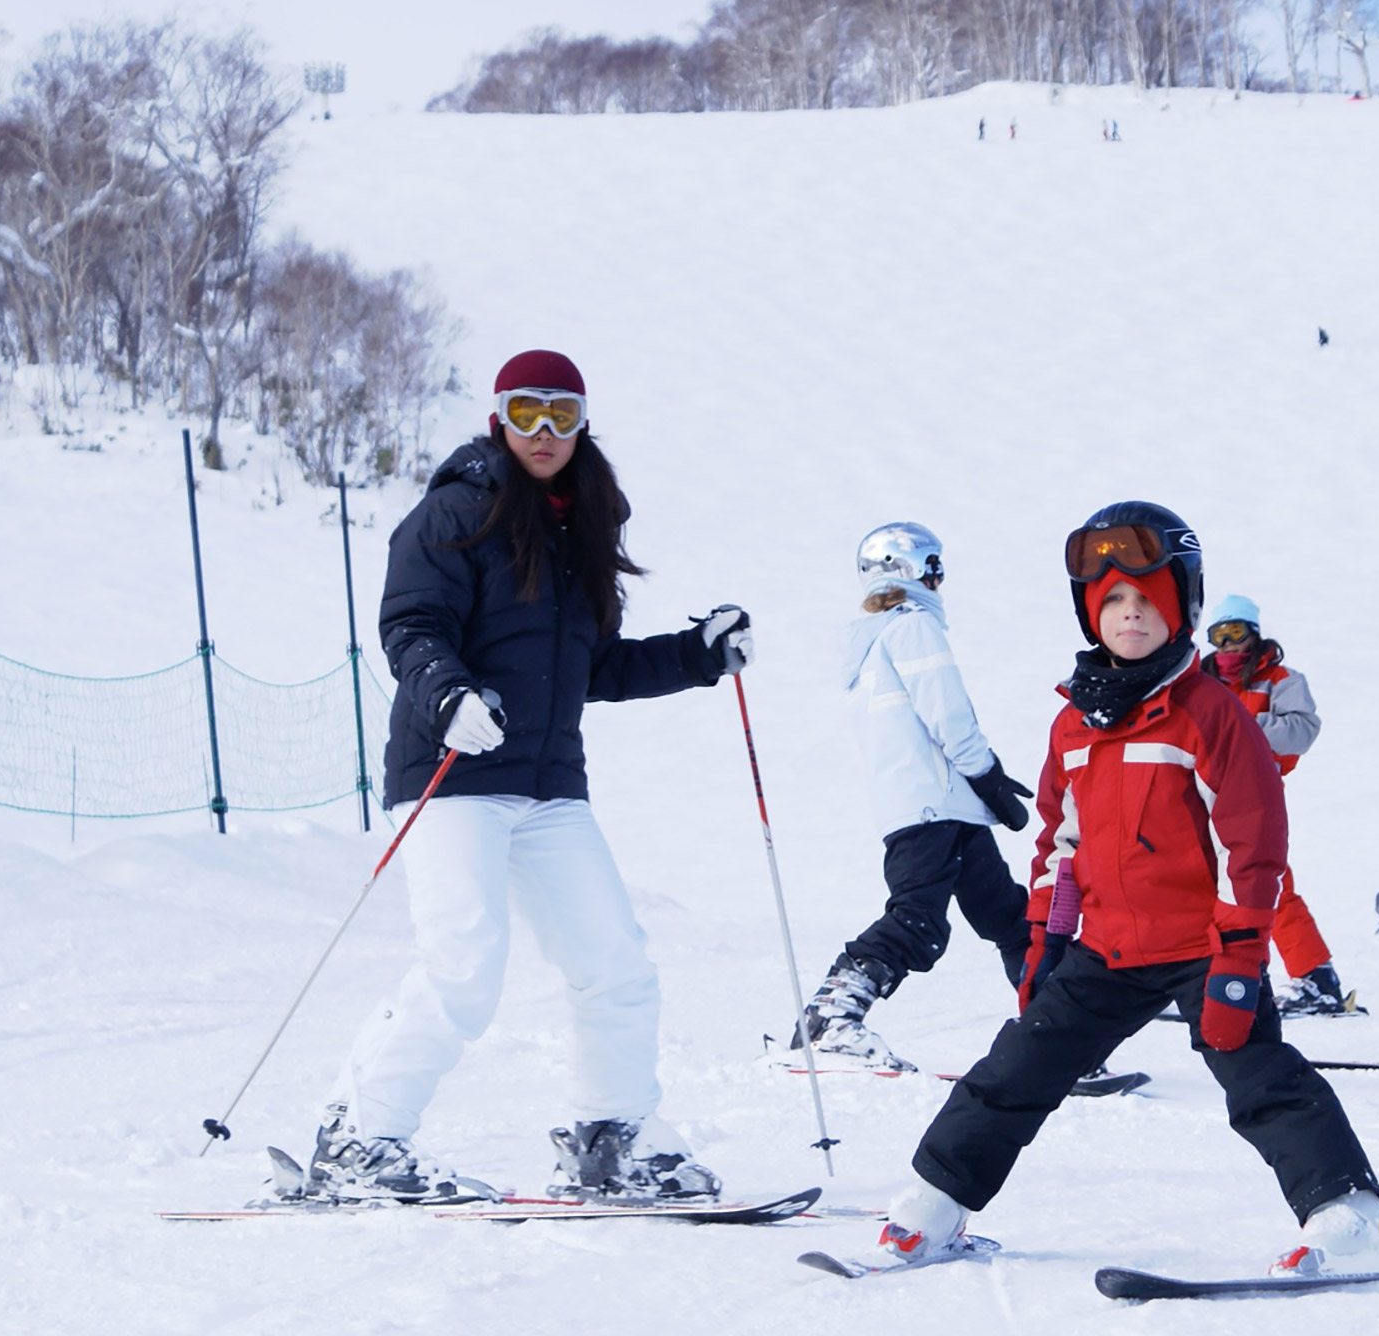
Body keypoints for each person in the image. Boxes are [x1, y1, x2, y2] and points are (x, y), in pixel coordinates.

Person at [874, 501, 1379, 1276]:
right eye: (1113, 604)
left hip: (1203, 946)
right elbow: (1058, 849)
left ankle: (1357, 1218)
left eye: (1146, 602)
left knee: (1258, 1075)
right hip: (1105, 947)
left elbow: (1251, 844)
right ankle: (932, 1204)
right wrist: (1043, 944)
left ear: (1181, 609)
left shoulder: (1210, 714)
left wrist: (1237, 960)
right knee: (1016, 1068)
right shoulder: (1073, 726)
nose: (1129, 617)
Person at [309, 350, 753, 1202]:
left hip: (549, 785)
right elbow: (410, 626)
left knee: (614, 960)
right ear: (497, 420)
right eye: (524, 413)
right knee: (463, 963)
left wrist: (699, 657)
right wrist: (448, 698)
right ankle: (359, 1139)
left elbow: (594, 667)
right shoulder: (452, 514)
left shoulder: (578, 526)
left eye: (559, 414)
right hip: (454, 772)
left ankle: (609, 1135)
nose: (542, 433)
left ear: (583, 422)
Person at [786, 523, 1035, 1070]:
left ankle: (1057, 1043)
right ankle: (833, 1018)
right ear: (912, 569)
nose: (940, 580)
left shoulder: (872, 645)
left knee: (1011, 919)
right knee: (918, 919)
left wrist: (981, 793)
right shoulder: (913, 627)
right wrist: (989, 776)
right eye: (935, 567)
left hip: (944, 808)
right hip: (933, 808)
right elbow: (949, 717)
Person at [1200, 593, 1360, 1017]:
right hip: (1199, 795)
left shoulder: (1281, 679)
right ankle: (1203, 972)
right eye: (1220, 634)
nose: (1229, 644)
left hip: (1255, 795)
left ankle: (1316, 978)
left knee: (1266, 883)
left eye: (1237, 632)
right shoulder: (1198, 682)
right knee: (1198, 883)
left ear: (1254, 633)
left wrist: (1242, 723)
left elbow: (1302, 732)